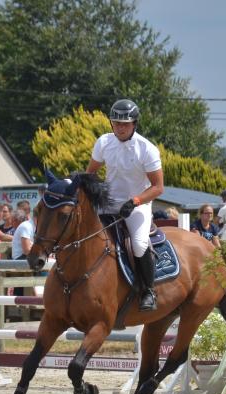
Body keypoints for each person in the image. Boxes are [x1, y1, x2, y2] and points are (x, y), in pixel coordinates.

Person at [86, 98, 163, 311]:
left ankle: (148, 290)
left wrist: (136, 201)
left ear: (134, 124)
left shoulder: (147, 149)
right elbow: (89, 173)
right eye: (116, 123)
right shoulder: (103, 142)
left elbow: (158, 187)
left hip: (137, 204)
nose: (120, 127)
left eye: (125, 124)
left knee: (139, 244)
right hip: (108, 203)